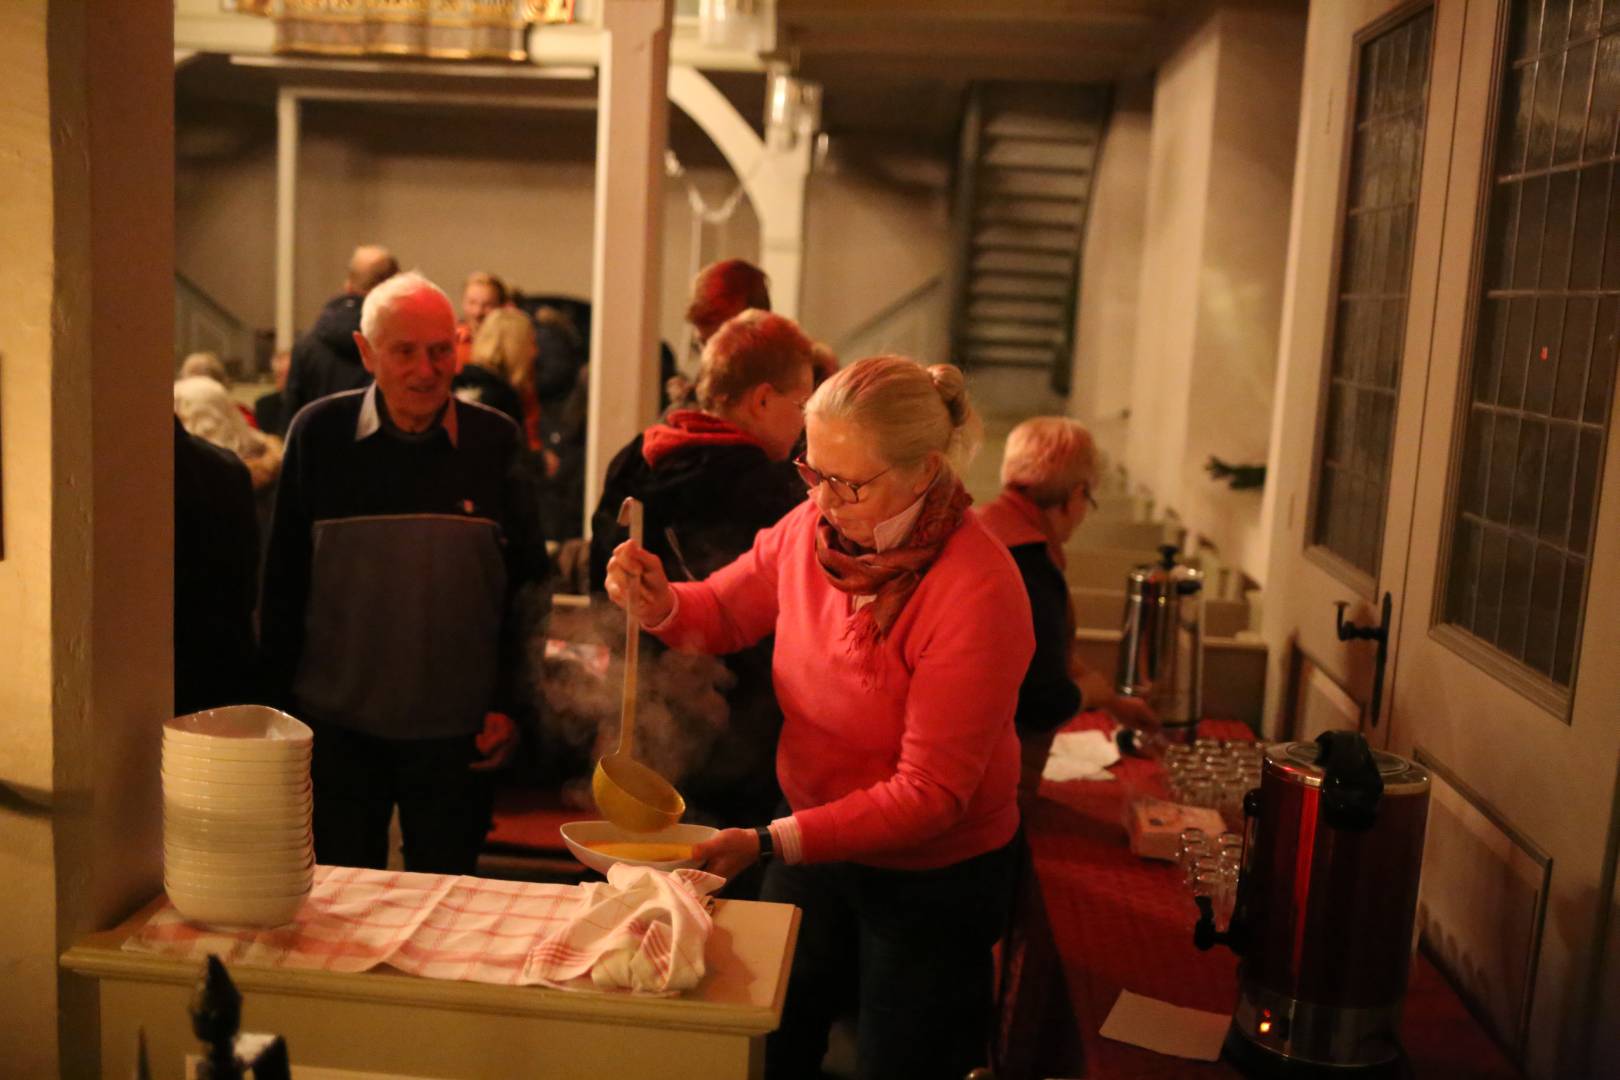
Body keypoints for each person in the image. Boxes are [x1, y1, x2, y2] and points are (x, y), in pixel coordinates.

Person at [605, 356, 1032, 1080]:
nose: (824, 500)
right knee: (772, 1039)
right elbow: (725, 607)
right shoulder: (813, 530)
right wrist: (660, 602)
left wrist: (773, 842)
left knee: (899, 1062)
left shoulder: (976, 588)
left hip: (933, 875)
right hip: (809, 837)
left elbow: (930, 794)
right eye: (813, 472)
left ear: (925, 470)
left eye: (848, 483)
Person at [260, 271, 550, 875]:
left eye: (441, 350)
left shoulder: (494, 442)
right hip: (336, 730)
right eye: (405, 352)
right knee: (340, 901)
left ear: (460, 343)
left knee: (450, 900)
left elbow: (528, 588)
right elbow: (282, 585)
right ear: (367, 353)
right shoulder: (318, 435)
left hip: (459, 733)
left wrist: (511, 705)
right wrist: (276, 718)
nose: (426, 370)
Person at [587, 311, 815, 869]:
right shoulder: (774, 487)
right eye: (801, 403)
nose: (804, 423)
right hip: (743, 732)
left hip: (637, 719)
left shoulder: (636, 456)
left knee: (632, 888)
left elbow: (602, 583)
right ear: (762, 400)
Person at [978, 417, 1158, 801]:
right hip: (992, 786)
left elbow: (1034, 651)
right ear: (1075, 494)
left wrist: (1111, 702)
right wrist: (1088, 693)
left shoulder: (984, 527)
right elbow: (1041, 704)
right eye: (1087, 501)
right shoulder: (1031, 564)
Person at [173, 416, 259, 715]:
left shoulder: (124, 471)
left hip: (159, 665)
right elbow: (248, 584)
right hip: (223, 662)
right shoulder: (227, 467)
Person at [284, 244, 398, 417]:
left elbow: (290, 418)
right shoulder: (401, 341)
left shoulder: (305, 345)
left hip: (318, 441)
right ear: (392, 285)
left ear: (349, 285)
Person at [454, 306, 531, 437]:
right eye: (531, 343)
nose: (534, 352)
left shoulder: (454, 382)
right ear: (515, 348)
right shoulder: (505, 398)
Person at [456, 270, 508, 370]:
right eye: (472, 303)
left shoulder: (510, 347)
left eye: (488, 305)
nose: (478, 312)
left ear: (502, 307)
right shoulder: (452, 342)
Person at [254, 349, 295, 438]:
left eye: (290, 375)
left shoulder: (311, 404)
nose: (287, 380)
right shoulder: (264, 406)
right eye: (280, 375)